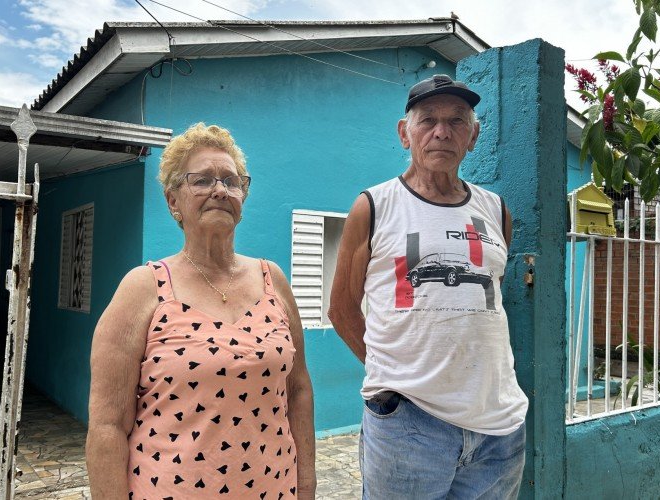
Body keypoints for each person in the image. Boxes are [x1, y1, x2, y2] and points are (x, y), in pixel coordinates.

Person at [86, 123, 316, 499]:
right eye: (203, 180)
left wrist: (306, 486)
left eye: (232, 180)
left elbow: (299, 390)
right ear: (173, 201)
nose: (220, 190)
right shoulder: (144, 288)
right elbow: (108, 426)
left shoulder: (272, 279)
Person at [328, 74, 529, 499]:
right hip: (408, 426)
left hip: (499, 429)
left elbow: (488, 300)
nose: (442, 131)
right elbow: (342, 309)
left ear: (473, 136)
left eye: (457, 121)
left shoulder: (496, 210)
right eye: (428, 120)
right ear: (405, 133)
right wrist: (391, 374)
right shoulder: (374, 206)